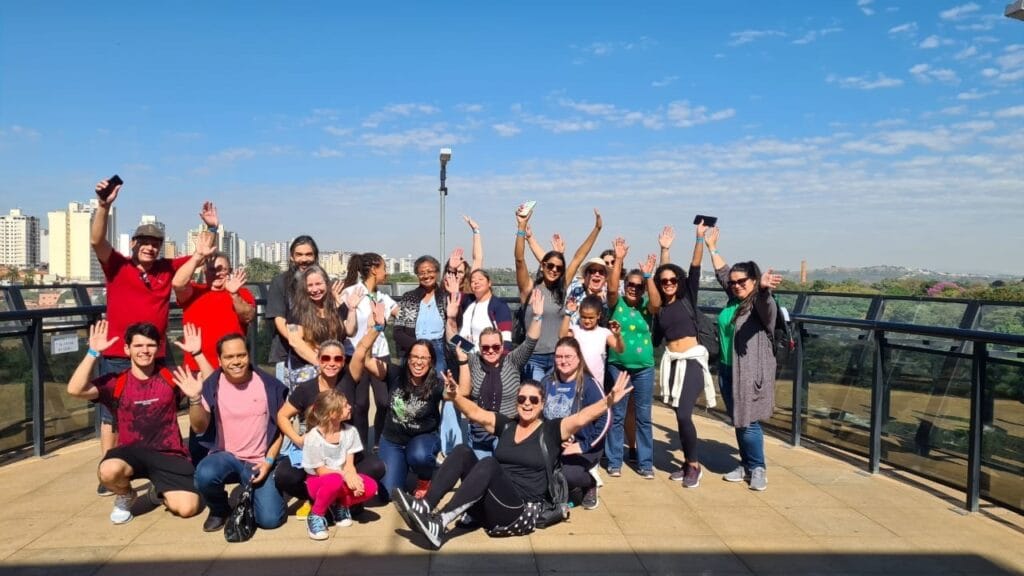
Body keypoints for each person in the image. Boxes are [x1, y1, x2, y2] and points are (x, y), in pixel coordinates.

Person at [391, 372, 633, 549]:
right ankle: (425, 506)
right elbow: (475, 413)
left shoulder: (551, 430)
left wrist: (609, 400)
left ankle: (441, 522)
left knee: (488, 464)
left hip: (516, 510)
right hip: (490, 502)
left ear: (542, 404)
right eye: (522, 399)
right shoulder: (507, 425)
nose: (527, 404)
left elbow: (582, 418)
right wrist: (455, 397)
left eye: (533, 400)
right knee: (464, 451)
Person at [89, 177, 197, 495]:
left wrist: (211, 234)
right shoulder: (117, 266)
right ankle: (106, 469)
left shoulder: (165, 267)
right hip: (117, 354)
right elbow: (97, 240)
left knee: (160, 410)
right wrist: (104, 206)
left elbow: (196, 259)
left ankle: (159, 463)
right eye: (144, 242)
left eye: (155, 243)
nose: (150, 247)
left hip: (156, 354)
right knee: (111, 414)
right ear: (134, 243)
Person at [67, 321, 205, 524]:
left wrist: (198, 354)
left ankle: (157, 494)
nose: (144, 351)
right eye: (138, 346)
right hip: (129, 452)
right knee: (108, 471)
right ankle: (125, 494)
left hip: (168, 453)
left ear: (158, 348)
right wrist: (93, 353)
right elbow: (75, 389)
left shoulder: (170, 376)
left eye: (150, 345)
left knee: (188, 508)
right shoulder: (116, 381)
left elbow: (211, 380)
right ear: (127, 349)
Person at [177, 333, 289, 533]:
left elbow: (279, 431)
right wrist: (194, 399)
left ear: (249, 356)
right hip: (225, 457)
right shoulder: (212, 385)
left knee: (271, 520)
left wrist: (269, 462)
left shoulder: (269, 386)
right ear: (219, 360)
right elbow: (199, 427)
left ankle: (260, 495)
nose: (236, 361)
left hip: (259, 462)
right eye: (229, 357)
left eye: (241, 355)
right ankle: (219, 509)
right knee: (205, 473)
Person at [274, 330, 386, 517]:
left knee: (377, 467)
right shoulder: (305, 389)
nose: (331, 363)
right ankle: (320, 498)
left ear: (343, 362)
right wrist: (298, 440)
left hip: (344, 455)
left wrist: (377, 328)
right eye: (325, 358)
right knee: (284, 475)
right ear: (318, 360)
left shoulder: (348, 379)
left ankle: (341, 498)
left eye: (337, 359)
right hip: (318, 457)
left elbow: (361, 349)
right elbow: (282, 416)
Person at [705, 228, 782, 491]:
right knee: (738, 418)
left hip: (749, 373)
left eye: (743, 282)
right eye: (734, 282)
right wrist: (711, 247)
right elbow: (723, 272)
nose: (737, 285)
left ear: (755, 280)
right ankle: (747, 465)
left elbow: (767, 305)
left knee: (748, 421)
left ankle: (758, 468)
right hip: (728, 370)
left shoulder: (759, 305)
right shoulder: (733, 298)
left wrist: (762, 290)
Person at [445, 287, 545, 458]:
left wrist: (537, 317)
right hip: (479, 433)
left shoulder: (512, 361)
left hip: (505, 432)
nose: (490, 350)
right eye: (485, 347)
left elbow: (530, 342)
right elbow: (453, 341)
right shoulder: (474, 360)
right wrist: (451, 317)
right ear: (480, 347)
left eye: (495, 347)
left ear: (502, 346)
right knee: (481, 472)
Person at [652, 222, 715, 489]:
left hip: (691, 360)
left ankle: (694, 466)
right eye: (663, 281)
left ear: (679, 282)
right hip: (672, 363)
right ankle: (687, 461)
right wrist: (664, 250)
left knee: (684, 415)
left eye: (672, 280)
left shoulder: (687, 297)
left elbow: (694, 267)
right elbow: (662, 273)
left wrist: (698, 238)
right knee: (679, 413)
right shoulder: (659, 309)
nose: (668, 284)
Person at [514, 207, 603, 380]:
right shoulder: (529, 288)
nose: (554, 270)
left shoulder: (561, 288)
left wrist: (597, 229)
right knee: (536, 400)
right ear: (543, 265)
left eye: (559, 268)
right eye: (550, 266)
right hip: (533, 358)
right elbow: (519, 260)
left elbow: (578, 258)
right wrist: (521, 227)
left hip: (559, 356)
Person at [603, 237, 660, 479]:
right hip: (619, 366)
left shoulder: (647, 305)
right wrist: (619, 260)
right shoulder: (616, 304)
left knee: (644, 417)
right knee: (617, 415)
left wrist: (649, 277)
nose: (633, 288)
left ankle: (645, 463)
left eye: (638, 285)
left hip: (644, 368)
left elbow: (657, 305)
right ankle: (615, 460)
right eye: (631, 284)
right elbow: (612, 288)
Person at [371, 337, 445, 503]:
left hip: (422, 439)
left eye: (423, 358)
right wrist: (374, 330)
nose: (418, 362)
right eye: (414, 357)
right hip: (393, 441)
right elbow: (366, 360)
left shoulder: (437, 384)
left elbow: (459, 395)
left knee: (419, 456)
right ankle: (401, 465)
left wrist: (455, 390)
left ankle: (424, 478)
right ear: (408, 358)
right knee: (388, 494)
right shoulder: (395, 373)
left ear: (431, 361)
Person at [540, 337, 610, 510]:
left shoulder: (589, 385)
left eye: (568, 356)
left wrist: (584, 446)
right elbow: (538, 416)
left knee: (566, 475)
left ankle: (589, 482)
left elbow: (606, 418)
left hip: (582, 448)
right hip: (553, 445)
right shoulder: (546, 382)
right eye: (558, 356)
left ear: (579, 357)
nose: (563, 361)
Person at [301, 389, 379, 540]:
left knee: (370, 487)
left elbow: (349, 464)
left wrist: (354, 478)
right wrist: (345, 476)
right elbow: (321, 471)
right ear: (332, 414)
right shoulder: (313, 438)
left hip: (340, 478)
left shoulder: (350, 432)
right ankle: (315, 515)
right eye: (344, 406)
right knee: (334, 480)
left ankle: (340, 506)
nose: (349, 407)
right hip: (319, 481)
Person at [341, 252, 398, 449]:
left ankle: (380, 442)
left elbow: (403, 312)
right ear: (374, 269)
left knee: (384, 401)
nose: (386, 273)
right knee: (361, 404)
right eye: (384, 268)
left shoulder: (382, 297)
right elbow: (341, 324)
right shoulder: (351, 293)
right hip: (356, 354)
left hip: (380, 353)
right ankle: (361, 447)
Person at [173, 240, 255, 373]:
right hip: (196, 367)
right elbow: (177, 284)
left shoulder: (241, 293)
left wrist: (234, 294)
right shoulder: (194, 292)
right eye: (212, 269)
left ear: (230, 271)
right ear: (205, 271)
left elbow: (248, 317)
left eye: (222, 269)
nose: (217, 273)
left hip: (232, 366)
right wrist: (197, 257)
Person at [266, 235, 319, 382]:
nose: (304, 259)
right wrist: (303, 347)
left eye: (308, 254)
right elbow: (280, 321)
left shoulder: (321, 283)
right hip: (287, 356)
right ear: (291, 257)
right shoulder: (280, 282)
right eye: (299, 255)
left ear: (315, 257)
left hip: (320, 352)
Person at [559, 295, 624, 386]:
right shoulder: (575, 330)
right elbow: (562, 337)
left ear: (598, 315)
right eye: (583, 317)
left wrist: (618, 336)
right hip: (576, 381)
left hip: (596, 383)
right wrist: (568, 313)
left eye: (591, 318)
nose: (587, 321)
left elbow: (619, 349)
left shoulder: (604, 332)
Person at [457, 268, 514, 351]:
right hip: (463, 354)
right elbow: (451, 295)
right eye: (473, 281)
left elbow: (506, 338)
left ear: (489, 283)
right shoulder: (468, 300)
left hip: (486, 357)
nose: (476, 282)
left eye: (480, 279)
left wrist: (501, 360)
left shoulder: (499, 306)